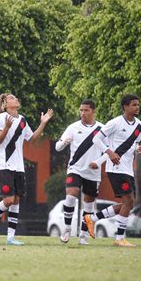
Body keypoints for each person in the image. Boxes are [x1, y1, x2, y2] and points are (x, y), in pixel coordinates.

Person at [0, 93, 53, 245]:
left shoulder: (22, 120)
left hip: (18, 166)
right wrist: (7, 128)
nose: (16, 99)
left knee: (16, 200)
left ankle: (10, 237)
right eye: (12, 98)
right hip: (4, 165)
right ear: (5, 104)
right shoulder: (0, 119)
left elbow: (32, 139)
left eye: (16, 97)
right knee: (8, 200)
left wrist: (43, 123)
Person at [85, 94, 141, 247]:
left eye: (138, 104)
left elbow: (133, 145)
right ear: (125, 107)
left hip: (128, 169)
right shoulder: (114, 123)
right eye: (134, 105)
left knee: (128, 203)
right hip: (116, 168)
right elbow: (96, 139)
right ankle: (119, 238)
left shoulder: (139, 126)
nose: (137, 107)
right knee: (129, 201)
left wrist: (138, 149)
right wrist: (109, 153)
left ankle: (92, 219)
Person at [54, 99, 103, 245]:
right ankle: (67, 228)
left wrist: (99, 163)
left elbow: (110, 150)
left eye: (86, 110)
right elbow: (57, 147)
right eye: (81, 110)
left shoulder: (102, 129)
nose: (82, 113)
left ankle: (83, 235)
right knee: (71, 196)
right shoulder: (72, 127)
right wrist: (64, 143)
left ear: (93, 111)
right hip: (75, 169)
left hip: (93, 173)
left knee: (89, 204)